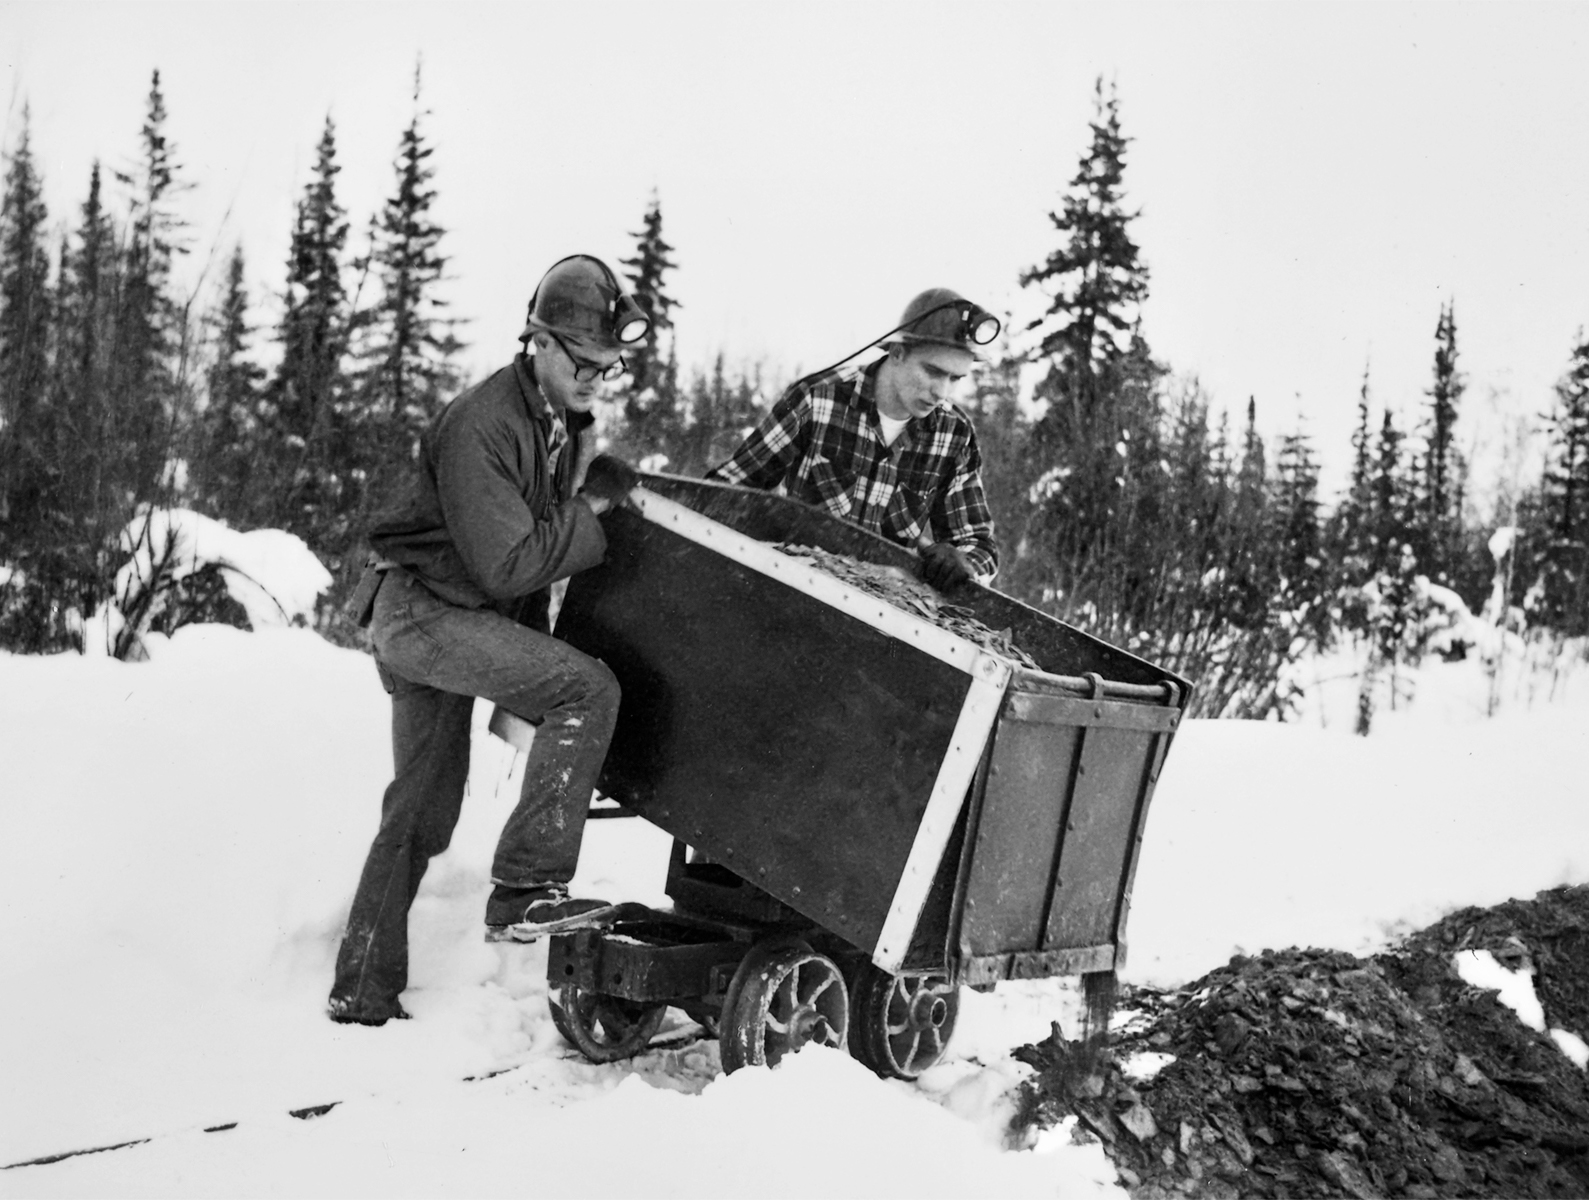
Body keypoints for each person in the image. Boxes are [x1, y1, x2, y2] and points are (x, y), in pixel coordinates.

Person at [327, 254, 647, 1027]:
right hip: (424, 615)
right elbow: (508, 563)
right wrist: (592, 513)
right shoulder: (484, 423)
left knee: (421, 813)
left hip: (440, 615)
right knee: (587, 688)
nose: (596, 379)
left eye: (609, 367)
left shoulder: (551, 421)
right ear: (536, 341)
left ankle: (361, 991)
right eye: (584, 361)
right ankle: (525, 888)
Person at [706, 288, 1000, 589]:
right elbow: (728, 491)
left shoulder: (954, 434)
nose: (942, 392)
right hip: (796, 583)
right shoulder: (818, 399)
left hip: (886, 607)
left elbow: (978, 546)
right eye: (933, 372)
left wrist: (961, 563)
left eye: (955, 379)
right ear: (897, 353)